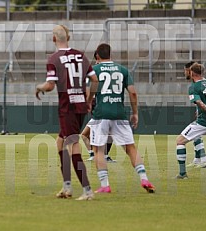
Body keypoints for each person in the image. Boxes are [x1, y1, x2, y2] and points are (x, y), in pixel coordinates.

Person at [35, 25, 98, 200]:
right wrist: (90, 98)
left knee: (73, 145)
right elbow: (94, 80)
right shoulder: (81, 55)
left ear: (53, 38)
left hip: (67, 107)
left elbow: (49, 85)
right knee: (60, 142)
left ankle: (87, 190)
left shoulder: (54, 58)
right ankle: (67, 187)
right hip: (80, 106)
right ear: (68, 38)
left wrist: (39, 88)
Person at [89, 43, 155, 194]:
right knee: (130, 147)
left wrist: (88, 102)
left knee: (98, 149)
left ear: (97, 56)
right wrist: (135, 113)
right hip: (119, 114)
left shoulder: (94, 70)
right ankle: (144, 178)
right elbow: (133, 93)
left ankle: (105, 185)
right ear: (111, 55)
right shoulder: (123, 70)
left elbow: (91, 89)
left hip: (101, 115)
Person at [183, 61, 206, 168]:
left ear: (190, 71)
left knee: (192, 135)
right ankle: (198, 159)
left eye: (185, 71)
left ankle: (204, 160)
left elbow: (202, 101)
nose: (185, 73)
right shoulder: (202, 82)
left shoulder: (197, 84)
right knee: (196, 136)